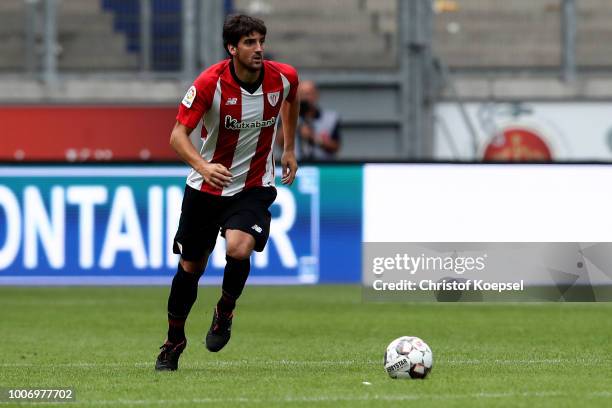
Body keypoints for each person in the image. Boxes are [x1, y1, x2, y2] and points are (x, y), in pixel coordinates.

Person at [155, 14, 299, 371]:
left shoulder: (283, 77)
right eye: (249, 43)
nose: (259, 49)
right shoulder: (210, 83)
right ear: (232, 48)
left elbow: (291, 101)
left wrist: (290, 148)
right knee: (191, 267)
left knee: (239, 246)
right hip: (206, 189)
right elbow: (177, 137)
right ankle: (174, 340)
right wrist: (204, 168)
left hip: (253, 186)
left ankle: (225, 310)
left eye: (261, 41)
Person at [296, 80, 341, 160]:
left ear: (316, 95)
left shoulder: (330, 118)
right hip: (296, 167)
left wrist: (314, 138)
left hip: (323, 166)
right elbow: (280, 142)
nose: (305, 98)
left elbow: (336, 147)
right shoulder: (289, 118)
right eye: (301, 94)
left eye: (308, 94)